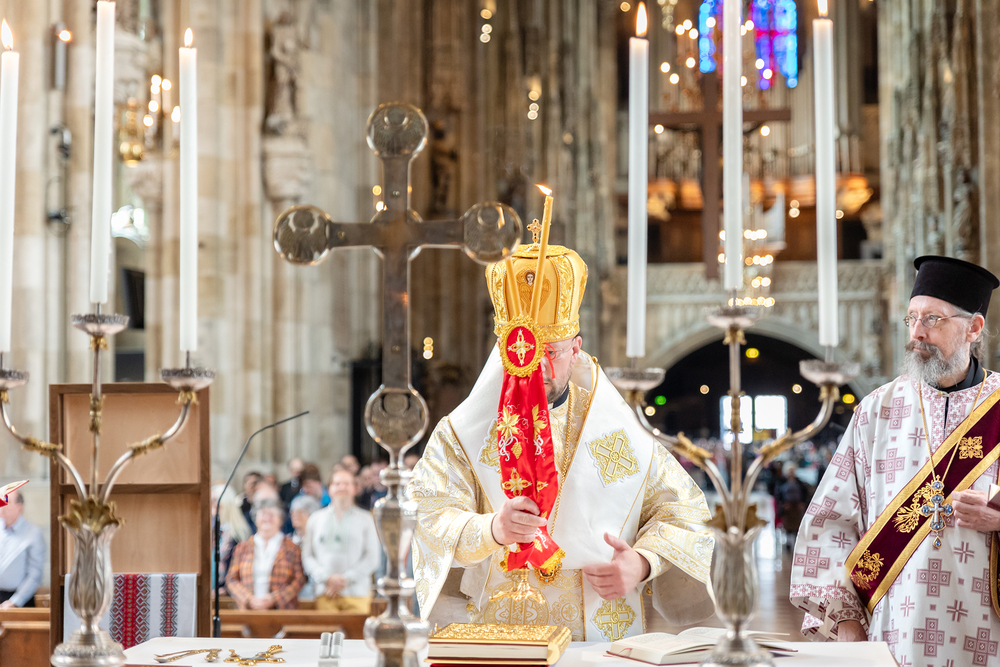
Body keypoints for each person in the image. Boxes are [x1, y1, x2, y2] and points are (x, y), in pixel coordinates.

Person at [409, 235, 714, 641]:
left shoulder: (616, 428)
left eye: (551, 352)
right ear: (503, 349)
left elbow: (683, 511)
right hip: (497, 633)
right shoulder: (462, 433)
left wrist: (642, 562)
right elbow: (427, 516)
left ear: (576, 349)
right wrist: (493, 529)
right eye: (524, 350)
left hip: (597, 624)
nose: (537, 366)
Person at [790, 255, 1000, 666]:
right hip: (891, 632)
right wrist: (846, 622)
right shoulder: (877, 410)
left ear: (974, 328)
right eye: (912, 318)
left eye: (933, 319)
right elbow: (829, 522)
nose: (917, 332)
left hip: (984, 628)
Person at [301, 469, 380, 613]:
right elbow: (307, 556)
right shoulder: (315, 519)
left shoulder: (366, 519)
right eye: (337, 484)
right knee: (326, 628)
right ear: (329, 489)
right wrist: (326, 578)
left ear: (354, 488)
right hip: (325, 592)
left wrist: (346, 580)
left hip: (357, 593)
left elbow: (372, 557)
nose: (342, 487)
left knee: (357, 629)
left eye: (346, 484)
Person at [225, 498, 306, 610]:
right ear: (255, 518)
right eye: (263, 514)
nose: (267, 518)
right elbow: (231, 579)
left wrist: (274, 599)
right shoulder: (243, 547)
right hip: (248, 610)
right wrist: (248, 598)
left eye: (272, 514)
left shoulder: (292, 548)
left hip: (282, 610)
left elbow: (299, 580)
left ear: (280, 519)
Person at [0, 489, 45, 608]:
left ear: (19, 507)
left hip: (19, 600)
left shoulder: (33, 533)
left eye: (6, 502)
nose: (2, 506)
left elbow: (35, 574)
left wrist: (15, 601)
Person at [211, 484, 253, 586]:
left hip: (228, 587)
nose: (212, 504)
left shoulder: (238, 533)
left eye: (215, 500)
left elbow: (241, 567)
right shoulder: (213, 529)